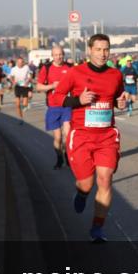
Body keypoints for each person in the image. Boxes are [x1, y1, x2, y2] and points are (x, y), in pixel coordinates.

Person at [53, 34, 128, 242]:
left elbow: (118, 98)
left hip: (106, 136)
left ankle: (97, 228)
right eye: (98, 49)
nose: (103, 54)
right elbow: (55, 97)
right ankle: (82, 193)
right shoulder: (76, 73)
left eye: (106, 49)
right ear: (89, 50)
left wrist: (120, 103)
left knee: (105, 180)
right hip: (82, 137)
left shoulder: (115, 74)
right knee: (86, 184)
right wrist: (78, 100)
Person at [36, 45, 73, 169]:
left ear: (63, 55)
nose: (58, 57)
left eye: (60, 54)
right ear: (52, 56)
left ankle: (68, 156)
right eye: (56, 55)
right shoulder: (46, 68)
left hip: (67, 105)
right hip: (53, 107)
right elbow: (39, 87)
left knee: (67, 134)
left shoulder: (69, 68)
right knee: (57, 137)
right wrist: (52, 86)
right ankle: (59, 158)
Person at [9, 56, 34, 124]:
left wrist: (28, 80)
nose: (20, 64)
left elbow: (31, 74)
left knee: (25, 104)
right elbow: (11, 77)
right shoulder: (14, 69)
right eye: (19, 62)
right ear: (17, 62)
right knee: (17, 104)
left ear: (23, 62)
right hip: (17, 86)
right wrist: (13, 82)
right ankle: (20, 118)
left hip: (25, 86)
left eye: (21, 62)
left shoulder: (26, 67)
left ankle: (27, 104)